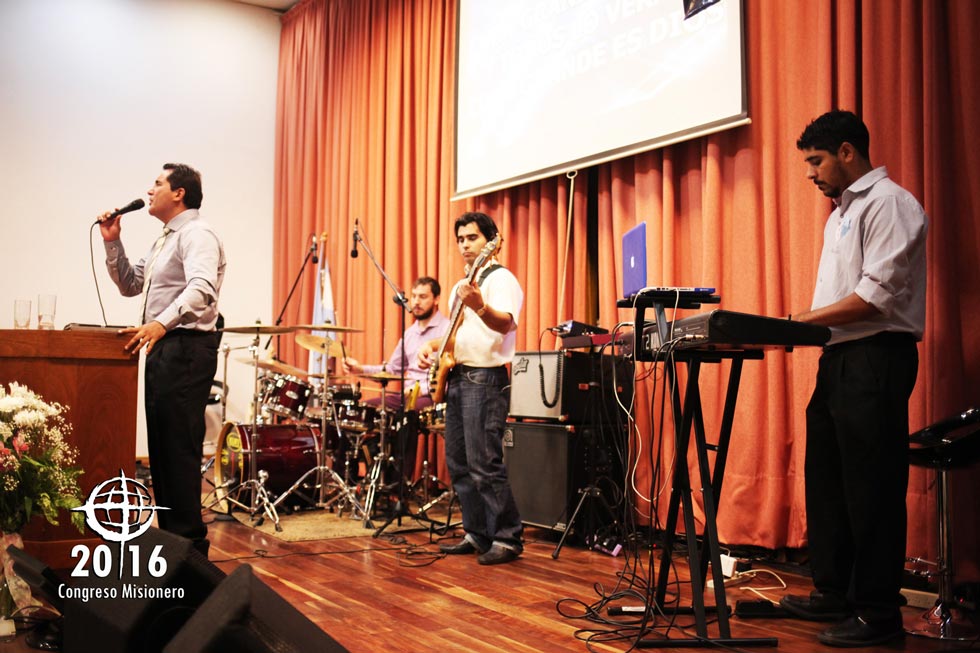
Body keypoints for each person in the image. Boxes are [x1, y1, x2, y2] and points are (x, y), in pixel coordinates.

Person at [780, 111, 927, 647]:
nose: (810, 173)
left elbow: (874, 297)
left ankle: (878, 612)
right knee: (828, 479)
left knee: (872, 486)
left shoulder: (889, 203)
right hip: (838, 356)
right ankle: (834, 592)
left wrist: (796, 322)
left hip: (876, 356)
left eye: (816, 161)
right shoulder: (840, 214)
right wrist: (806, 329)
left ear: (847, 152)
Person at [99, 163, 226, 558]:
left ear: (179, 193)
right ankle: (175, 549)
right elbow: (131, 284)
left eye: (157, 184)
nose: (149, 191)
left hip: (186, 347)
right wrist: (112, 242)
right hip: (165, 347)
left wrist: (160, 323)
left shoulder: (197, 234)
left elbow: (202, 289)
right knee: (163, 454)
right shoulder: (165, 240)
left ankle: (191, 554)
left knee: (178, 452)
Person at [418, 212, 524, 565]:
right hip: (459, 377)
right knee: (459, 462)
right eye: (460, 239)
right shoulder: (460, 285)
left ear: (491, 240)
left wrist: (478, 304)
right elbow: (457, 336)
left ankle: (507, 538)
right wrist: (432, 348)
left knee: (484, 463)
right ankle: (477, 533)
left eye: (472, 237)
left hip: (485, 378)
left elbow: (505, 325)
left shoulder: (501, 279)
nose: (465, 244)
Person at [341, 276, 449, 412]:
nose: (416, 302)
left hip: (432, 396)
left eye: (423, 297)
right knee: (362, 410)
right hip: (407, 396)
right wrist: (359, 369)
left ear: (436, 299)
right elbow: (392, 369)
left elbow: (452, 377)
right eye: (414, 296)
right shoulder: (409, 334)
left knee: (406, 413)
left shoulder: (447, 329)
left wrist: (422, 389)